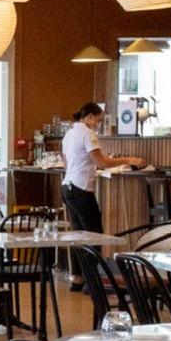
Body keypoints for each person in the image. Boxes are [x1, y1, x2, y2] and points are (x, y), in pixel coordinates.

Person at [60, 103, 146, 290]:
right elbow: (102, 161)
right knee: (94, 235)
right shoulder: (88, 133)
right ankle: (92, 282)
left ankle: (77, 278)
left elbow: (67, 163)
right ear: (89, 117)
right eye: (98, 121)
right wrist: (129, 160)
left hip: (68, 187)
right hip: (81, 188)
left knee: (78, 235)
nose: (97, 125)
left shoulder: (68, 134)